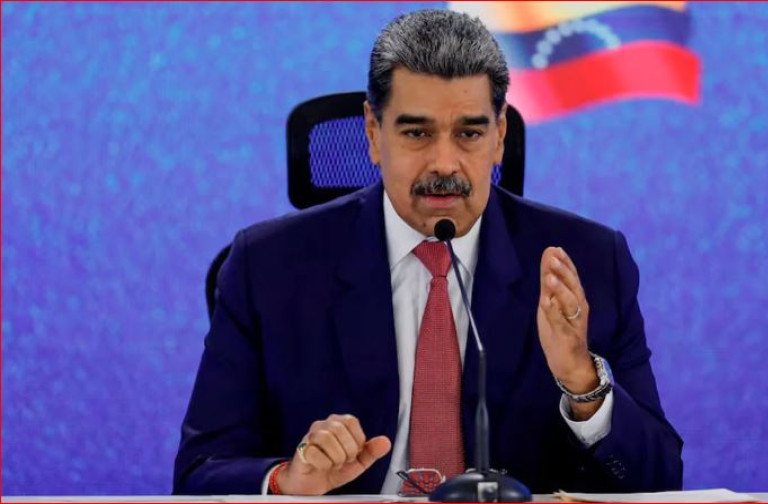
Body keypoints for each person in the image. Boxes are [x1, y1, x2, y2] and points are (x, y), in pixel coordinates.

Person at [173, 9, 682, 496]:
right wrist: (288, 480)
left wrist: (582, 382)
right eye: (417, 133)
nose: (444, 163)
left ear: (500, 136)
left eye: (469, 133)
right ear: (373, 133)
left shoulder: (588, 262)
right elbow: (200, 472)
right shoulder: (269, 267)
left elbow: (659, 480)